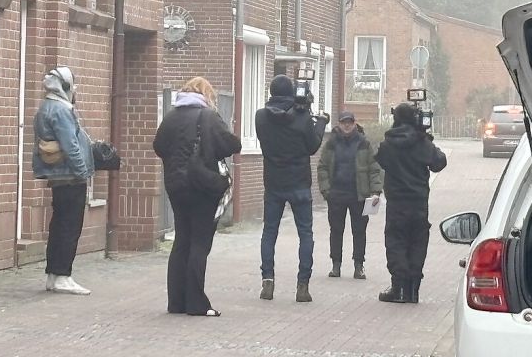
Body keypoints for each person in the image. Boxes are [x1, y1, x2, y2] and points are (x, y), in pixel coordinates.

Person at [154, 77, 241, 317]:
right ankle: (196, 303)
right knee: (200, 243)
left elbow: (158, 146)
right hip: (202, 186)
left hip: (175, 186)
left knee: (182, 240)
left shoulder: (170, 117)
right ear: (206, 95)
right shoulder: (208, 117)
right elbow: (233, 144)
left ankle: (176, 302)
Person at [255, 74, 329, 303]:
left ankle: (267, 281)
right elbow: (312, 146)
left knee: (269, 232)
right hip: (298, 182)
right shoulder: (302, 117)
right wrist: (320, 123)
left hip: (274, 182)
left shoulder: (261, 117)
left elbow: (265, 142)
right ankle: (302, 286)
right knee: (305, 233)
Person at [374, 103, 447, 304]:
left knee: (396, 242)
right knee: (417, 243)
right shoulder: (422, 143)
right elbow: (439, 163)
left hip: (397, 203)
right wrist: (426, 139)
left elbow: (380, 160)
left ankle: (398, 288)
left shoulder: (388, 144)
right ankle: (413, 290)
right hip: (419, 203)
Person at [32, 66, 94, 296]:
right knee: (69, 226)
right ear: (64, 86)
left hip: (59, 176)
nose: (75, 88)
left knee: (59, 225)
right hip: (70, 175)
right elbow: (71, 145)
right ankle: (63, 276)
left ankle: (54, 275)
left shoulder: (46, 107)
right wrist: (82, 172)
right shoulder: (59, 110)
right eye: (72, 84)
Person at [316, 111, 382, 280]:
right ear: (339, 124)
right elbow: (322, 167)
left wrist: (375, 191)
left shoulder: (363, 143)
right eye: (344, 122)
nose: (347, 125)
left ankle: (359, 265)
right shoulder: (331, 143)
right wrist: (326, 190)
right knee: (336, 230)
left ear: (354, 123)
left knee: (359, 231)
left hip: (359, 195)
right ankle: (336, 265)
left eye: (350, 122)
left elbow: (374, 169)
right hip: (336, 195)